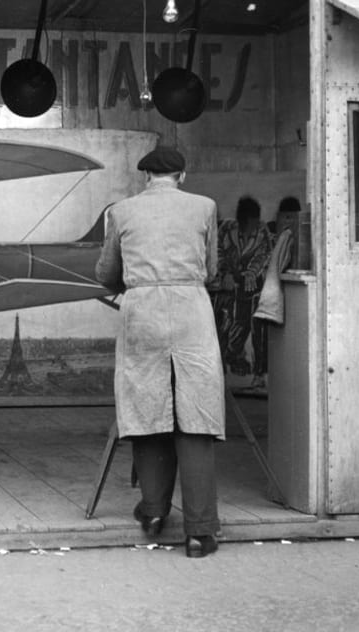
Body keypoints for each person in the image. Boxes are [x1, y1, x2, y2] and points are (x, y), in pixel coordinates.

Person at [95, 145, 224, 558]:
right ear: (182, 176)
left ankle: (152, 512)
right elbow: (214, 267)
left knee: (147, 409)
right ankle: (200, 533)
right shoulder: (205, 207)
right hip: (191, 312)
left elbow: (106, 273)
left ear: (145, 177)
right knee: (196, 417)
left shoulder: (122, 210)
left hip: (142, 313)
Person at [212, 195, 273, 382]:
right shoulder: (227, 229)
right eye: (251, 221)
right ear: (243, 220)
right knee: (235, 324)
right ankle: (230, 360)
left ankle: (259, 373)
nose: (254, 225)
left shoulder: (262, 230)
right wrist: (225, 273)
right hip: (231, 286)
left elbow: (264, 254)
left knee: (256, 328)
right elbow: (218, 252)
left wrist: (251, 273)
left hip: (253, 287)